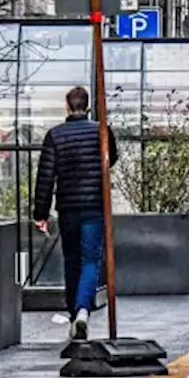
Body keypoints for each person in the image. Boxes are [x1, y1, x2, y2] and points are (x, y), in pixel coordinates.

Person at [32, 86, 118, 340]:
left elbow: (45, 177)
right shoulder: (101, 132)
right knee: (91, 259)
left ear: (67, 107)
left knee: (71, 262)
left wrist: (41, 213)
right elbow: (110, 159)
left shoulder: (55, 136)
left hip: (67, 208)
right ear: (88, 106)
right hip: (94, 205)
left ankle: (74, 314)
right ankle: (82, 311)